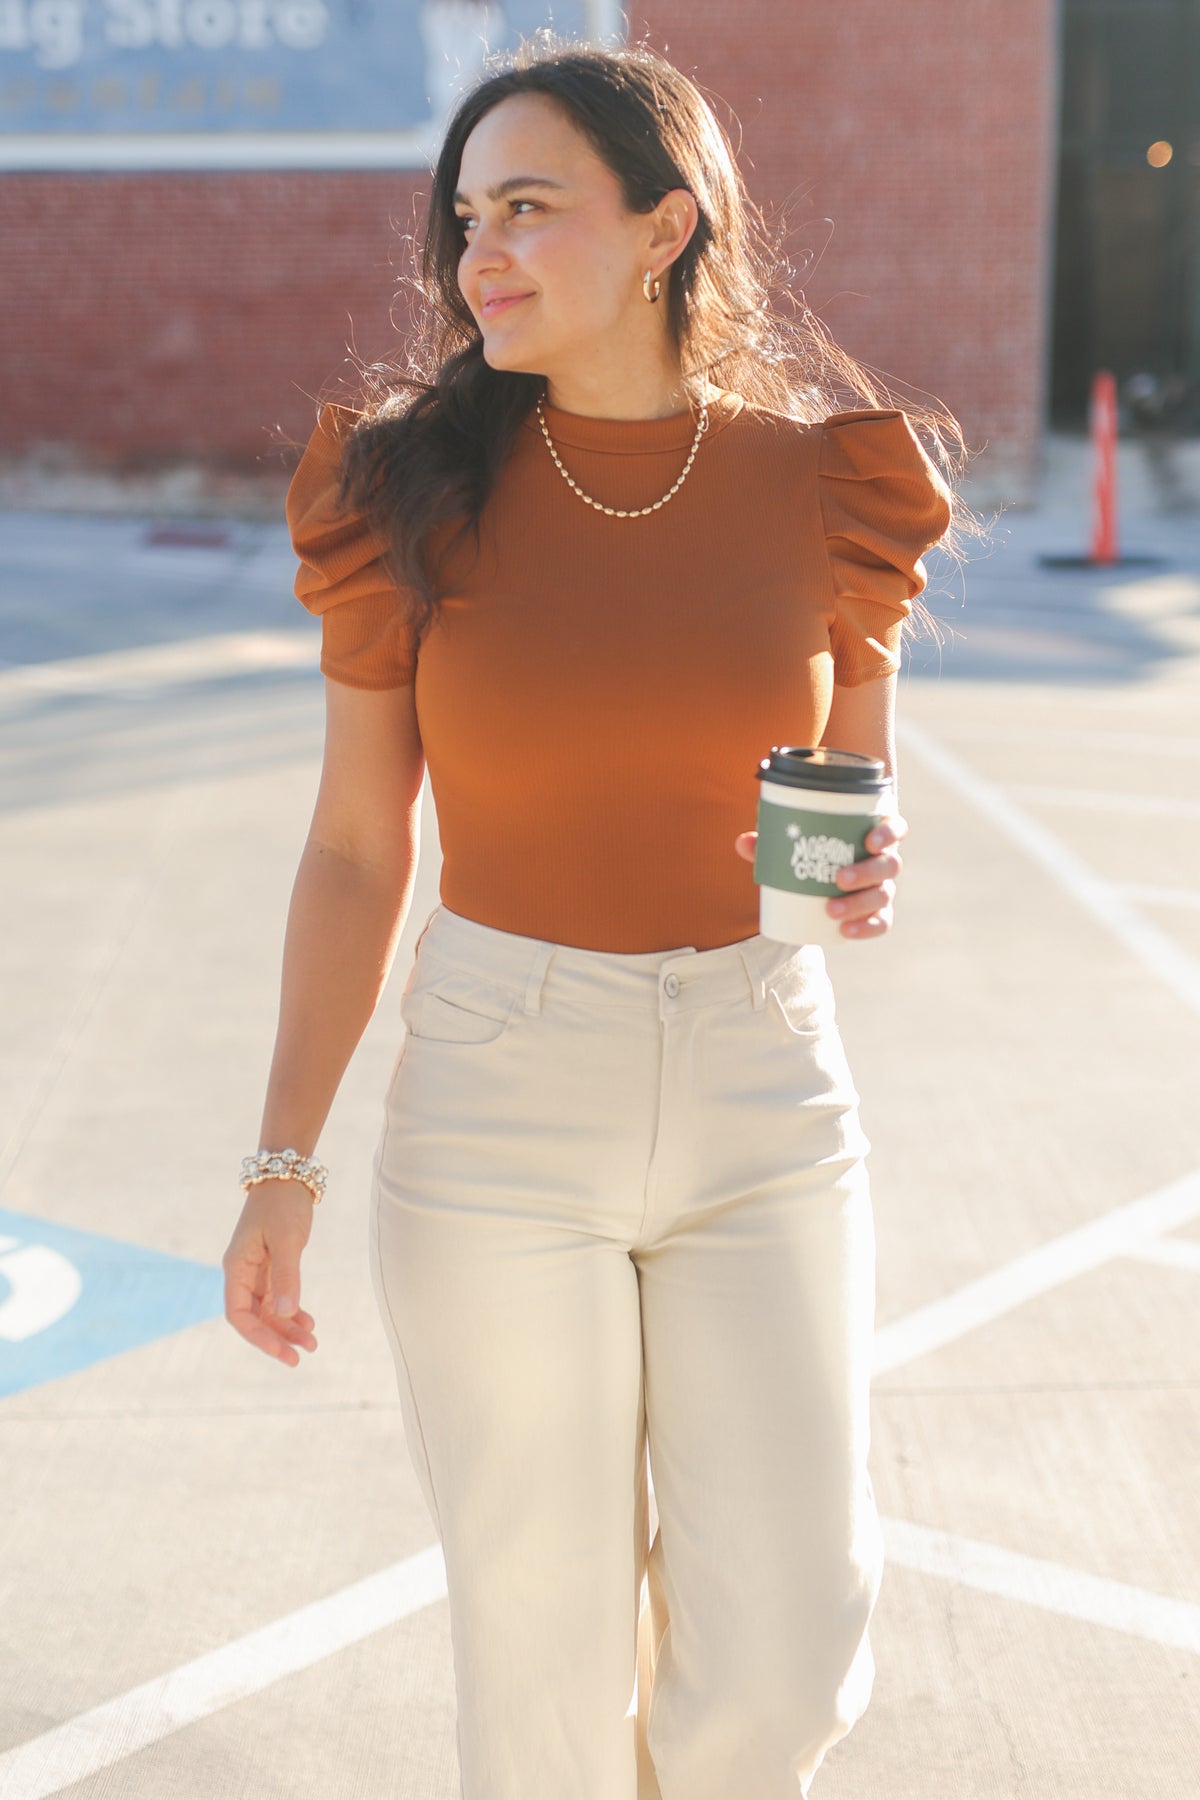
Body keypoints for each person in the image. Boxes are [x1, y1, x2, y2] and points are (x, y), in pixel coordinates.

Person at [222, 33, 973, 1800]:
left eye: (531, 208)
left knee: (789, 1650)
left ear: (667, 226)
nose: (480, 251)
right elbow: (353, 847)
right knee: (543, 1662)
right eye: (468, 215)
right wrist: (281, 1164)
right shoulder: (404, 494)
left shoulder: (825, 491)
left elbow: (848, 795)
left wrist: (866, 869)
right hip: (497, 1097)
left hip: (761, 1086)